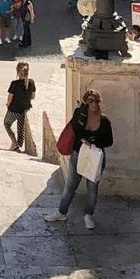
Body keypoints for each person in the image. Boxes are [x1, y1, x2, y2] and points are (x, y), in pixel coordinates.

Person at [45, 88, 113, 230]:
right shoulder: (79, 115)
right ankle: (61, 212)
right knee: (70, 186)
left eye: (96, 101)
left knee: (92, 188)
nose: (94, 104)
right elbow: (76, 130)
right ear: (86, 102)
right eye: (91, 101)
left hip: (95, 157)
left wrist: (93, 141)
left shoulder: (104, 120)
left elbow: (109, 141)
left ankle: (88, 215)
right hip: (78, 155)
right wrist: (82, 113)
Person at [4, 60, 36, 152]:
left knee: (6, 123)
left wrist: (8, 105)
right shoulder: (31, 82)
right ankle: (20, 145)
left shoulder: (14, 83)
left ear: (18, 71)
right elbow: (33, 97)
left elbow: (10, 98)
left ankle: (14, 144)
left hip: (15, 109)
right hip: (26, 109)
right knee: (20, 128)